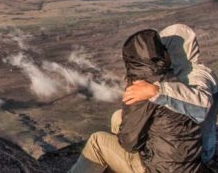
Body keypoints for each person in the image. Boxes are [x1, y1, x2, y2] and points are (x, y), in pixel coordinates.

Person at [69, 29, 205, 173]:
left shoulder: (142, 88)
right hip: (187, 165)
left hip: (160, 169)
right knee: (118, 118)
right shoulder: (172, 78)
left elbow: (129, 144)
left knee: (97, 141)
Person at [123, 24, 218, 164]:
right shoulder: (179, 71)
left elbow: (202, 105)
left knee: (102, 141)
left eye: (163, 49)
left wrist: (156, 91)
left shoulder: (199, 75)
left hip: (195, 153)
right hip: (184, 144)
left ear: (174, 49)